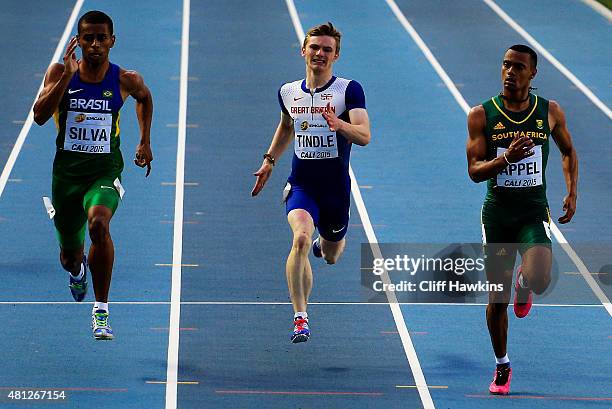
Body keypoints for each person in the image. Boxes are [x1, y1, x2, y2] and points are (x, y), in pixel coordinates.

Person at [33, 10, 153, 340]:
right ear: (79, 40)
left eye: (102, 38)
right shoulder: (60, 72)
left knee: (99, 224)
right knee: (69, 257)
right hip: (66, 178)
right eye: (89, 38)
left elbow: (144, 97)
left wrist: (145, 141)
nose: (96, 44)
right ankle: (79, 270)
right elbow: (39, 116)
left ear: (113, 41)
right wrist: (64, 79)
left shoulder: (124, 79)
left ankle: (101, 310)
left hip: (104, 172)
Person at [466, 44, 578, 394]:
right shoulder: (481, 115)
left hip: (532, 211)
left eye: (518, 67)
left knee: (541, 277)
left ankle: (525, 284)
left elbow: (568, 151)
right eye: (505, 65)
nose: (509, 72)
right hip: (498, 215)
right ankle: (502, 365)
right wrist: (505, 160)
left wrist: (572, 191)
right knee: (496, 300)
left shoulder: (550, 112)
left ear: (533, 73)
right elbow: (473, 171)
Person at [251, 22, 371, 343]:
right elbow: (287, 126)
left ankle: (324, 244)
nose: (320, 54)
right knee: (300, 239)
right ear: (303, 50)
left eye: (327, 50)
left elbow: (365, 135)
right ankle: (300, 317)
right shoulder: (288, 92)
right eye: (314, 48)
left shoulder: (348, 90)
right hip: (301, 184)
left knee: (330, 256)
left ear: (336, 55)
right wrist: (269, 160)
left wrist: (340, 125)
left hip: (335, 191)